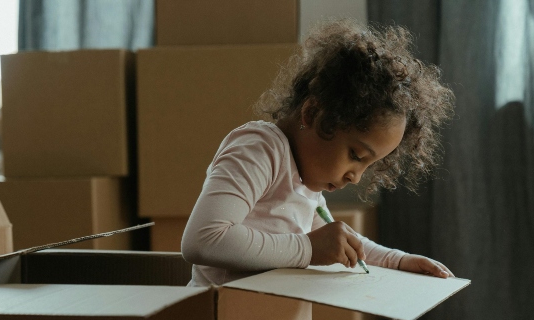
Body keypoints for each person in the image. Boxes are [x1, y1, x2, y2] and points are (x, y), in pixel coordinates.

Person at [181, 19, 456, 287]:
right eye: (356, 156)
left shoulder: (305, 182)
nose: (356, 177)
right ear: (312, 113)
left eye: (369, 165)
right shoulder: (260, 149)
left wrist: (398, 260)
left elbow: (343, 244)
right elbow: (204, 240)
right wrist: (308, 248)